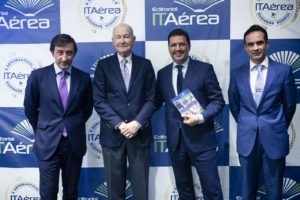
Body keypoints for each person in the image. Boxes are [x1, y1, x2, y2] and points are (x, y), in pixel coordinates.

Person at [228, 24, 297, 199]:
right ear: (245, 47)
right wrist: (248, 123)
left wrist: (277, 125)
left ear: (267, 44)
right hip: (247, 139)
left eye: (259, 43)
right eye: (251, 44)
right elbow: (235, 105)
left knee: (274, 191)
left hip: (274, 138)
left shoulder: (284, 71)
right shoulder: (237, 74)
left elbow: (290, 105)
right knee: (247, 189)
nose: (256, 48)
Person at [156, 28, 224, 200]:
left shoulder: (204, 69)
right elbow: (154, 102)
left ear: (189, 46)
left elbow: (218, 101)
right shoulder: (162, 74)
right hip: (176, 142)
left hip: (202, 140)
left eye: (181, 44)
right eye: (173, 45)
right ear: (168, 47)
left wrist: (201, 117)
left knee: (212, 190)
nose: (177, 49)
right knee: (184, 190)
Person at [24, 34, 93, 199]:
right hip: (47, 143)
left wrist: (72, 126)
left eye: (69, 53)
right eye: (60, 52)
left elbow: (87, 108)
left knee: (71, 192)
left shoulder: (83, 78)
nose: (64, 57)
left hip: (73, 143)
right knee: (48, 193)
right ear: (52, 52)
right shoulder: (37, 76)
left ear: (74, 53)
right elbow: (30, 108)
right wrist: (43, 129)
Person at [93, 23, 156, 200]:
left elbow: (152, 99)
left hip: (140, 134)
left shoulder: (145, 65)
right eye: (118, 37)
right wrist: (119, 124)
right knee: (114, 190)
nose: (122, 40)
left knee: (141, 189)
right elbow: (98, 100)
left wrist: (137, 123)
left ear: (134, 40)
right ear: (113, 41)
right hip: (113, 136)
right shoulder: (103, 65)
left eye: (126, 36)